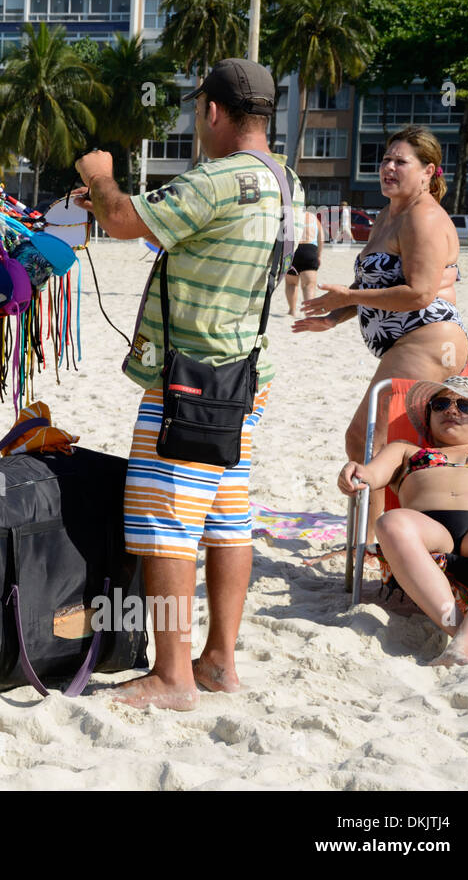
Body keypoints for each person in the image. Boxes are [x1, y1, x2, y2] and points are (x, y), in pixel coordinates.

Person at [73, 57, 304, 711]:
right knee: (228, 518)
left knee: (162, 522)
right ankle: (220, 662)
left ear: (211, 111)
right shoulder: (285, 181)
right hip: (246, 375)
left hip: (192, 381)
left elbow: (124, 222)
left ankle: (173, 676)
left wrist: (101, 178)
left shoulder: (219, 179)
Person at [294, 126, 467, 540]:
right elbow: (379, 291)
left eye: (400, 161)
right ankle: (388, 533)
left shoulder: (422, 215)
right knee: (382, 444)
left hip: (427, 337)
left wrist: (348, 295)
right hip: (410, 339)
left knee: (365, 438)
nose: (388, 167)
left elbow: (420, 292)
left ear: (428, 171)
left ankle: (370, 544)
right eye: (386, 159)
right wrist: (335, 316)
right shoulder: (390, 214)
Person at [338, 376, 468, 665]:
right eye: (441, 404)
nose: (451, 410)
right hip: (426, 526)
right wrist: (355, 472)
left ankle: (461, 645)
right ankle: (463, 637)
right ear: (429, 417)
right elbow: (371, 475)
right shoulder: (407, 450)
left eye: (464, 405)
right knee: (389, 523)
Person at [283, 208, 324, 316]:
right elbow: (321, 237)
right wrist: (319, 255)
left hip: (292, 249)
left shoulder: (288, 216)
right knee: (308, 285)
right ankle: (308, 312)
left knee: (291, 283)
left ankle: (292, 311)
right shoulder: (312, 217)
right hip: (309, 249)